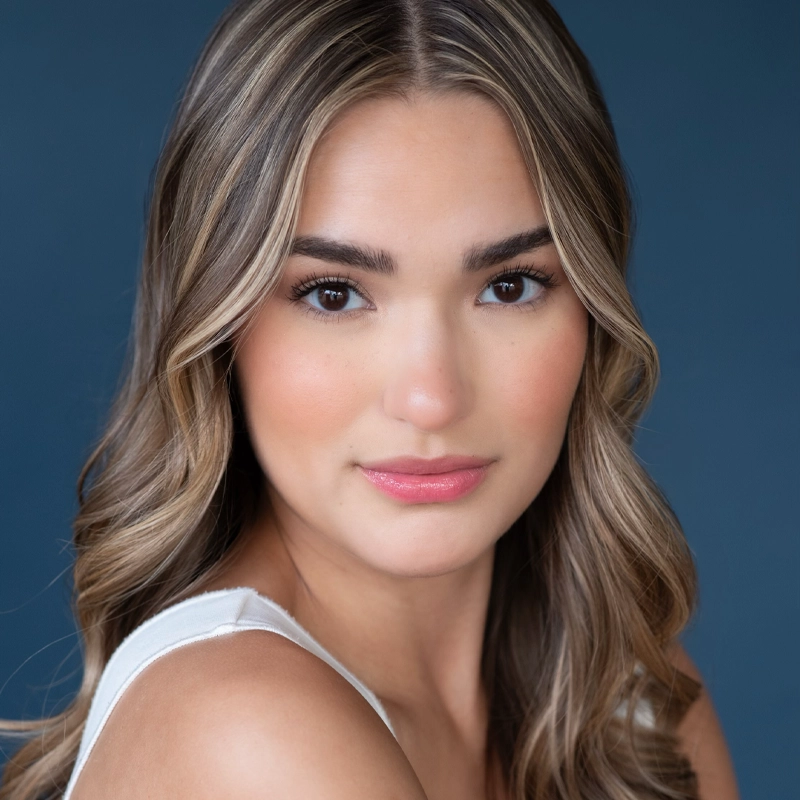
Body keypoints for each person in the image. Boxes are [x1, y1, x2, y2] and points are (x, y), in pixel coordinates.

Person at [0, 1, 740, 798]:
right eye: (332, 296)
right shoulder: (242, 728)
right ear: (217, 327)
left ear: (595, 312)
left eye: (509, 286)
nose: (429, 398)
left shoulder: (626, 694)